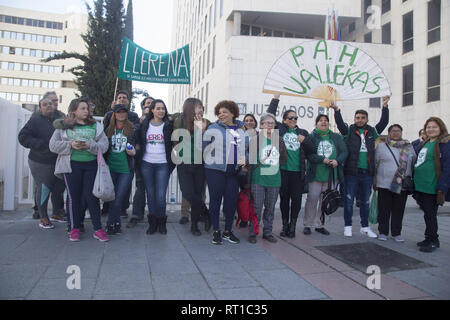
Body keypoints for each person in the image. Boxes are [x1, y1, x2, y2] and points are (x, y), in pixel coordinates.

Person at [49, 97, 109, 242]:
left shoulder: (96, 126)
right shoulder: (63, 127)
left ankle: (98, 229)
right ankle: (74, 228)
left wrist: (91, 146)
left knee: (92, 197)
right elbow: (53, 145)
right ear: (73, 111)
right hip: (71, 166)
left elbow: (105, 146)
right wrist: (71, 145)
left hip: (91, 166)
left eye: (87, 108)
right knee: (73, 198)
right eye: (82, 108)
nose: (86, 111)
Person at [330, 96, 390, 237]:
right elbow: (340, 125)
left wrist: (385, 107)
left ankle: (365, 227)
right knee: (349, 200)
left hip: (367, 173)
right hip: (352, 172)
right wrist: (337, 110)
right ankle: (348, 226)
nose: (360, 120)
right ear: (354, 119)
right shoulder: (349, 131)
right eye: (357, 117)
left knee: (364, 202)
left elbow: (384, 122)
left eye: (363, 117)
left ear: (367, 119)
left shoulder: (372, 132)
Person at [267, 93, 315, 238]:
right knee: (284, 200)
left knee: (296, 200)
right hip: (282, 171)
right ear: (284, 120)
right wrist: (275, 99)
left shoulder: (303, 132)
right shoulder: (280, 130)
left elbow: (312, 150)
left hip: (297, 172)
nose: (294, 120)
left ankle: (293, 226)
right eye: (290, 118)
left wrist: (304, 141)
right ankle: (285, 225)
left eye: (295, 118)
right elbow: (269, 115)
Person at [203, 100, 248, 245]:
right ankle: (216, 231)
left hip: (233, 172)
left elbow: (246, 148)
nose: (221, 114)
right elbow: (203, 146)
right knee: (215, 201)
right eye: (219, 112)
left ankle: (228, 231)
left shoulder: (241, 130)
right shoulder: (213, 127)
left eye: (225, 112)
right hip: (215, 170)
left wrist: (245, 158)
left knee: (231, 201)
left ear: (233, 113)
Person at [18, 97, 67, 229]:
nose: (48, 106)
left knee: (58, 188)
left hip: (58, 160)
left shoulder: (60, 118)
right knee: (44, 187)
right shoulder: (35, 120)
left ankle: (56, 213)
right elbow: (22, 137)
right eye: (44, 105)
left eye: (50, 104)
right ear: (40, 108)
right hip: (40, 161)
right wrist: (40, 145)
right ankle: (43, 216)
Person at [303, 114, 348, 236]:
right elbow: (309, 154)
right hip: (316, 174)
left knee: (325, 200)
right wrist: (322, 159)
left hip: (331, 175)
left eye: (326, 121)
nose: (323, 122)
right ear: (316, 124)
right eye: (320, 121)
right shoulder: (311, 137)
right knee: (312, 199)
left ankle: (320, 225)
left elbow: (344, 151)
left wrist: (337, 161)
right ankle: (307, 224)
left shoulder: (336, 137)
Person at [173, 98, 211, 236]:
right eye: (197, 107)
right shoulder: (179, 121)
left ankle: (194, 225)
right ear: (190, 108)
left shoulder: (206, 123)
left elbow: (208, 144)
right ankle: (206, 213)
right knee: (188, 192)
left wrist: (203, 130)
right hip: (184, 163)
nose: (201, 109)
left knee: (197, 193)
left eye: (201, 106)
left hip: (200, 164)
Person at [247, 113, 287, 243]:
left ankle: (267, 232)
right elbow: (251, 160)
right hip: (258, 179)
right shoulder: (255, 140)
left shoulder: (279, 140)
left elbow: (283, 158)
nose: (270, 125)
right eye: (267, 123)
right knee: (257, 207)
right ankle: (253, 232)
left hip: (274, 180)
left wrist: (272, 166)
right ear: (261, 125)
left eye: (272, 123)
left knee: (270, 208)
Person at [138, 99, 175, 235]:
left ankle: (161, 222)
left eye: (163, 108)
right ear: (152, 110)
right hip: (147, 163)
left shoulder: (169, 125)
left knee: (160, 195)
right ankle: (152, 223)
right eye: (158, 108)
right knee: (150, 194)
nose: (161, 111)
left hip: (163, 164)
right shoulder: (145, 124)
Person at [414, 117, 450, 252]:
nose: (431, 129)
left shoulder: (445, 143)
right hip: (421, 185)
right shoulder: (426, 142)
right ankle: (428, 237)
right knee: (426, 213)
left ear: (441, 128)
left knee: (430, 214)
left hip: (432, 185)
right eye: (428, 127)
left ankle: (434, 240)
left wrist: (442, 186)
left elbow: (448, 166)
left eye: (434, 127)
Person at [374, 124, 416, 242]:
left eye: (398, 131)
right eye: (393, 131)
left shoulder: (409, 147)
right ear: (389, 133)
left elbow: (413, 163)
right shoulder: (382, 146)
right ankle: (383, 232)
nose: (396, 133)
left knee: (399, 209)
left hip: (401, 184)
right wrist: (375, 181)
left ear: (402, 133)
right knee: (384, 209)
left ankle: (396, 233)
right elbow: (375, 163)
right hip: (384, 183)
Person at [103, 90, 139, 219]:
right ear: (114, 113)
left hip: (126, 168)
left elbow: (139, 144)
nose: (121, 114)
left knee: (119, 197)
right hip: (111, 167)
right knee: (111, 196)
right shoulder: (108, 129)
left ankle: (114, 222)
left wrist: (136, 151)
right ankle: (112, 223)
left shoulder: (133, 127)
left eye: (124, 112)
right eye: (118, 112)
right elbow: (103, 144)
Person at [127, 96, 154, 228]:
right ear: (142, 107)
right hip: (141, 160)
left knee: (155, 189)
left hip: (156, 161)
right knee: (140, 187)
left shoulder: (160, 122)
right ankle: (137, 214)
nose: (149, 105)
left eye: (151, 104)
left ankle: (155, 215)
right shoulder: (137, 122)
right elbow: (131, 138)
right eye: (147, 103)